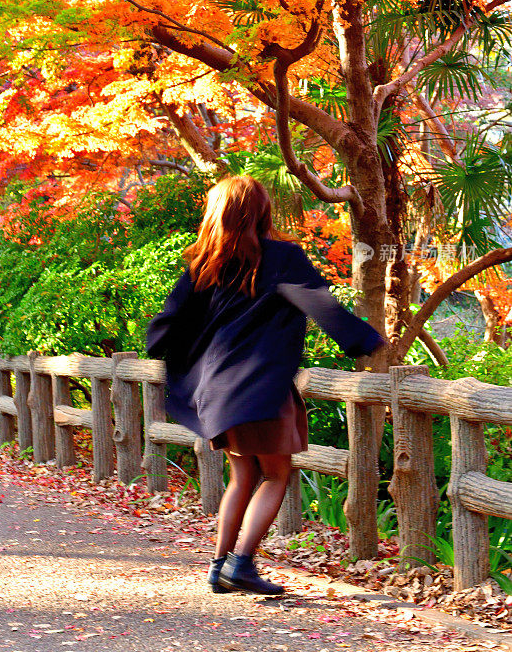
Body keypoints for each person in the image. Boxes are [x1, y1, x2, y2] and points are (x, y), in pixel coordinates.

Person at [146, 175, 383, 596]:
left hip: (216, 393)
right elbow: (323, 309)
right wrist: (367, 343)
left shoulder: (203, 268)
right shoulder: (282, 259)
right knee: (276, 474)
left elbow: (163, 331)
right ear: (261, 212)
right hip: (261, 389)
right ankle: (242, 564)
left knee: (242, 475)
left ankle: (219, 566)